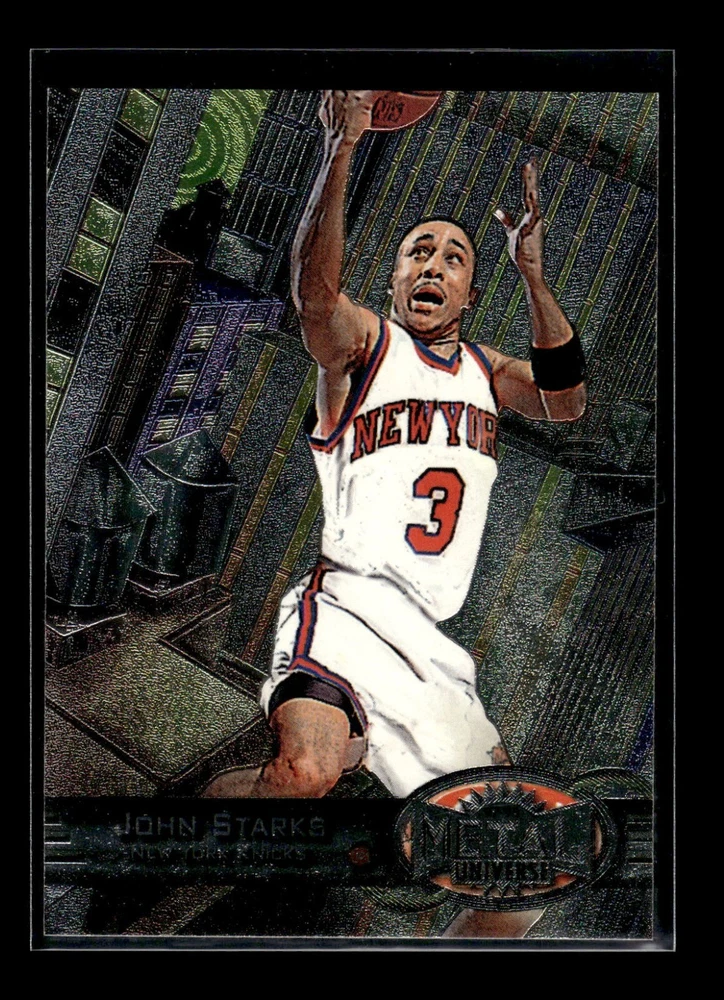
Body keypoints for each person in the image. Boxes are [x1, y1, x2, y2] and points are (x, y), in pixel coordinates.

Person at [203, 90, 586, 804]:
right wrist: (341, 148)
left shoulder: (488, 371)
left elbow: (566, 401)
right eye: (419, 253)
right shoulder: (368, 345)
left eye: (454, 258)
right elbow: (316, 301)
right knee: (303, 775)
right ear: (395, 278)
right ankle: (182, 836)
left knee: (504, 835)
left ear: (469, 293)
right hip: (346, 606)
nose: (434, 266)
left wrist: (533, 275)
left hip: (429, 644)